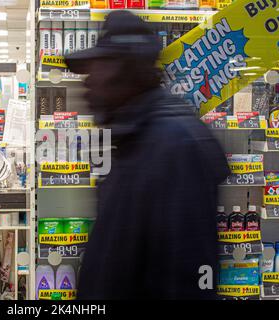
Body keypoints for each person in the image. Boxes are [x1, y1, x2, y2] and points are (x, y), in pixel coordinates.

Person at [64, 11, 230, 299]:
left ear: (129, 69)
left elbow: (195, 279)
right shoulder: (135, 138)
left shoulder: (176, 146)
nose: (87, 83)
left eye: (98, 68)